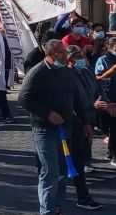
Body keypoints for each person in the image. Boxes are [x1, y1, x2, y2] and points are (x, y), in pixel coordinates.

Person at [18, 39, 93, 215]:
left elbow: (75, 99)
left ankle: (57, 205)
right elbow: (23, 98)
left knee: (62, 169)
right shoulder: (38, 72)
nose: (65, 56)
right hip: (44, 130)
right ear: (49, 55)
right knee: (50, 170)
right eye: (60, 52)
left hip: (65, 128)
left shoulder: (67, 72)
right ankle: (47, 210)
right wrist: (47, 113)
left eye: (65, 52)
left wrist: (86, 121)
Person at [64, 45, 104, 209]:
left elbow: (97, 91)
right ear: (68, 59)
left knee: (82, 156)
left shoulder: (86, 72)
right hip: (73, 123)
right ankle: (82, 196)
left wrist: (104, 103)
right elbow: (71, 102)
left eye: (81, 54)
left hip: (88, 119)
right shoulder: (65, 76)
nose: (80, 58)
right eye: (76, 56)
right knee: (75, 159)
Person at [95, 37, 116, 165]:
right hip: (110, 99)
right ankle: (115, 156)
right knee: (114, 128)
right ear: (109, 48)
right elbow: (100, 79)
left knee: (115, 129)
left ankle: (110, 153)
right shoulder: (103, 60)